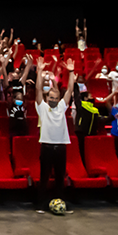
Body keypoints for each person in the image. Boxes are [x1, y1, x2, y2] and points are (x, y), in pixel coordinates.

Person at [35, 56, 77, 214]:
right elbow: (39, 90)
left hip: (61, 146)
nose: (53, 100)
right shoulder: (42, 107)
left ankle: (62, 203)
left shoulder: (61, 107)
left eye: (55, 98)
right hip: (46, 146)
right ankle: (40, 205)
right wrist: (39, 71)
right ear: (47, 98)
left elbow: (70, 90)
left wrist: (71, 72)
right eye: (51, 98)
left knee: (60, 178)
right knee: (44, 177)